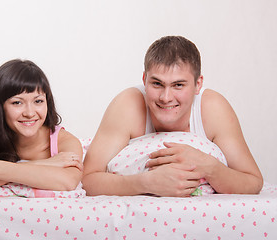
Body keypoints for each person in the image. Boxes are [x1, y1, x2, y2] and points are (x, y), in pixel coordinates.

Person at [82, 36, 263, 197]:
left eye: (178, 85)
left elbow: (253, 181)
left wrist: (209, 167)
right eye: (157, 84)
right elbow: (87, 179)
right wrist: (146, 183)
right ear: (144, 80)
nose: (166, 97)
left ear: (197, 84)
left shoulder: (213, 108)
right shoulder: (128, 105)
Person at [0, 59, 83, 196]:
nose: (30, 113)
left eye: (38, 101)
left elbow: (68, 182)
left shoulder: (65, 142)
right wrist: (45, 163)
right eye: (17, 102)